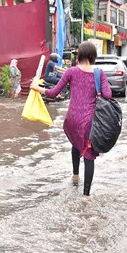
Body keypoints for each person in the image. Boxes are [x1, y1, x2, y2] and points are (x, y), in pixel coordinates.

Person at [31, 42, 112, 196]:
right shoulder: (98, 73)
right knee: (89, 154)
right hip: (88, 121)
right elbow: (108, 95)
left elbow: (53, 93)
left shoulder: (70, 72)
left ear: (79, 55)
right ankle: (86, 195)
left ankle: (75, 176)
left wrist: (37, 88)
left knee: (76, 144)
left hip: (72, 119)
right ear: (92, 56)